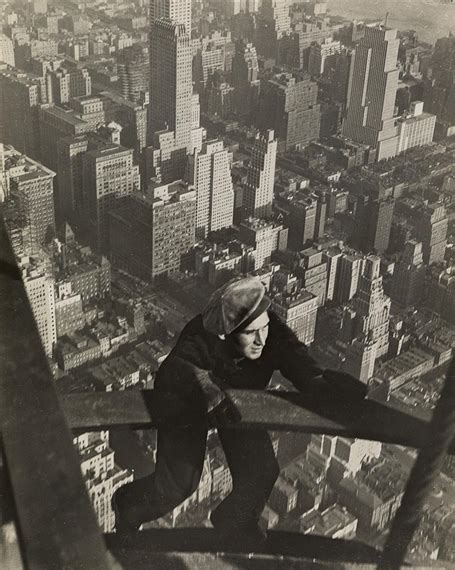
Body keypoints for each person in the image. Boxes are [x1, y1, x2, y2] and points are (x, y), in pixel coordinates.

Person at [112, 276, 366, 547]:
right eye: (250, 333)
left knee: (262, 471)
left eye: (264, 328)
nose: (261, 340)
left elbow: (296, 358)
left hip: (237, 404)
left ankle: (233, 519)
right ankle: (127, 505)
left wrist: (321, 384)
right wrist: (205, 386)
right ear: (226, 333)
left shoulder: (271, 331)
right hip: (192, 403)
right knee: (178, 485)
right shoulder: (201, 337)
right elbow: (175, 369)